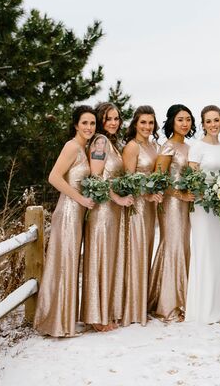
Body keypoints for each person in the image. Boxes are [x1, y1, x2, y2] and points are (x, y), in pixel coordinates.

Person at [34, 105, 96, 337]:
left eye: (92, 123)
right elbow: (54, 177)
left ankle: (63, 319)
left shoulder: (84, 147)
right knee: (65, 262)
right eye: (85, 123)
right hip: (69, 211)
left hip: (78, 211)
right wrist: (80, 198)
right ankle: (56, 322)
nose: (89, 127)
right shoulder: (71, 146)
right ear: (75, 125)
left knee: (68, 263)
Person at [80, 102, 134, 332]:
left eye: (117, 118)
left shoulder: (112, 144)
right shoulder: (100, 142)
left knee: (110, 258)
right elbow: (96, 177)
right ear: (101, 120)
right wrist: (118, 198)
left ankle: (107, 310)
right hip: (102, 210)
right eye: (108, 118)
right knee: (100, 258)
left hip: (113, 211)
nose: (113, 122)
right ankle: (96, 316)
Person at [185, 105, 220, 323]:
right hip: (202, 207)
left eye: (216, 120)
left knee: (219, 253)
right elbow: (192, 179)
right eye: (208, 121)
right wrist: (208, 194)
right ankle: (205, 307)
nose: (213, 125)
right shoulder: (197, 147)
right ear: (203, 124)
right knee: (205, 252)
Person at [148, 104, 196, 322]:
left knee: (181, 246)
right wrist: (180, 194)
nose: (185, 123)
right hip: (171, 204)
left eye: (188, 119)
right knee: (173, 246)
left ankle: (178, 297)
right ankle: (168, 305)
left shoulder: (188, 147)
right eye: (180, 119)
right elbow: (159, 180)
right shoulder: (167, 147)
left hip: (185, 204)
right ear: (171, 122)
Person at [117, 105, 161, 326]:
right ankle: (132, 308)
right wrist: (147, 194)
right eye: (143, 122)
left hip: (150, 209)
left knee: (145, 252)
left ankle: (141, 303)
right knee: (136, 253)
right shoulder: (132, 147)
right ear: (135, 124)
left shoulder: (154, 146)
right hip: (136, 208)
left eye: (151, 122)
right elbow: (127, 181)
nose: (147, 126)